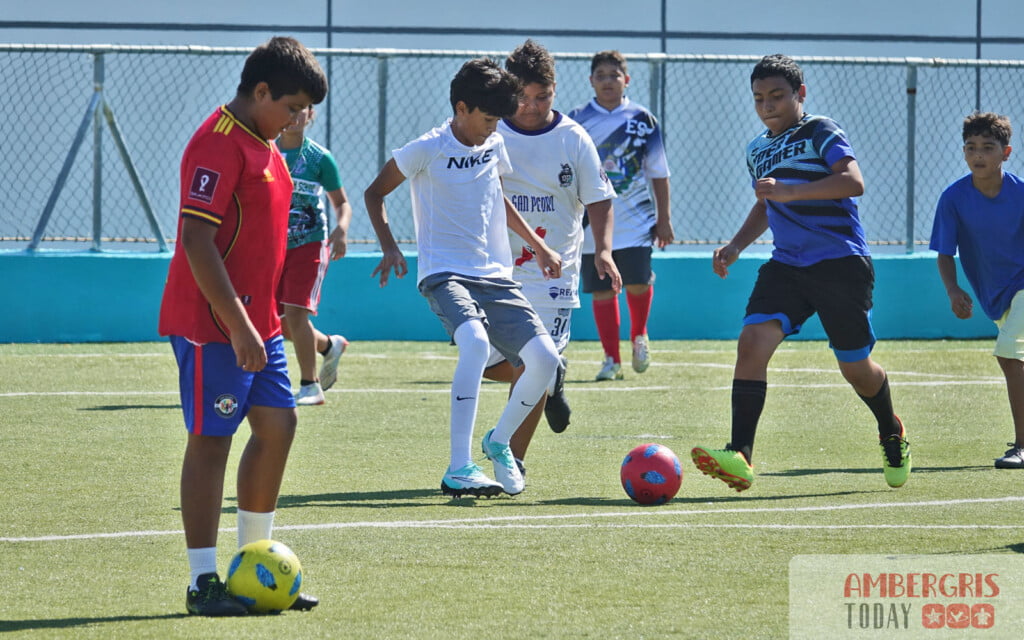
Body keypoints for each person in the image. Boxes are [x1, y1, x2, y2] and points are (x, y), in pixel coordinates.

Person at [157, 36, 327, 616]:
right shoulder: (218, 142)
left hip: (261, 323)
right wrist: (237, 325)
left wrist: (267, 318)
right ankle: (202, 582)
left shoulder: (266, 143)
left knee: (279, 426)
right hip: (214, 325)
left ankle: (254, 567)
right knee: (212, 440)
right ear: (260, 91)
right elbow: (196, 240)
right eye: (293, 107)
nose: (298, 120)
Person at [690, 53, 911, 492]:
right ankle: (740, 456)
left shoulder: (820, 130)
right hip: (787, 266)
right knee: (752, 343)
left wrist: (790, 191)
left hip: (839, 263)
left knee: (856, 369)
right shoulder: (757, 149)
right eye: (759, 98)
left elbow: (853, 181)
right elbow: (766, 204)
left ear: (800, 93)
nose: (767, 105)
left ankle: (891, 430)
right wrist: (735, 246)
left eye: (777, 95)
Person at [363, 57, 563, 498]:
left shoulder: (494, 143)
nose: (493, 128)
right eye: (488, 119)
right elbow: (374, 193)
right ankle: (459, 466)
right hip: (444, 272)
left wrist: (538, 245)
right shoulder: (426, 148)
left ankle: (499, 441)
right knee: (473, 342)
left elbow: (497, 195)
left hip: (495, 277)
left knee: (547, 361)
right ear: (461, 108)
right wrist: (390, 246)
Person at [481, 40, 620, 470]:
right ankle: (553, 376)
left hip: (553, 277)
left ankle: (513, 460)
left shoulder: (573, 138)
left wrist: (604, 251)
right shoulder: (491, 133)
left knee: (532, 367)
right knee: (484, 360)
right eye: (522, 97)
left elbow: (599, 199)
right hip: (494, 270)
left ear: (555, 90)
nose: (531, 107)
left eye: (542, 97)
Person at [568, 50, 674, 381]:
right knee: (602, 289)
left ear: (626, 80)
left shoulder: (643, 120)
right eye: (601, 76)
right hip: (593, 222)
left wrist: (664, 219)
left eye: (614, 75)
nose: (608, 81)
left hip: (637, 220)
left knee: (638, 283)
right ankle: (611, 360)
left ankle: (639, 335)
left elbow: (659, 172)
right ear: (591, 81)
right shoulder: (577, 120)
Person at [930, 112, 1024, 469]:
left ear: (1006, 152)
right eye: (971, 147)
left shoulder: (1021, 194)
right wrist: (952, 290)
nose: (978, 154)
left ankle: (1021, 446)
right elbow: (944, 252)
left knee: (1009, 355)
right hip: (996, 298)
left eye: (987, 147)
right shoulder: (953, 198)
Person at [277, 104, 352, 406]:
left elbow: (342, 203)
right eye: (289, 107)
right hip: (272, 247)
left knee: (296, 313)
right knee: (281, 322)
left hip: (309, 244)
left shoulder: (319, 157)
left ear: (311, 114)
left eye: (302, 109)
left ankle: (310, 386)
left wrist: (341, 229)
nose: (294, 115)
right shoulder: (266, 150)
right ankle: (329, 346)